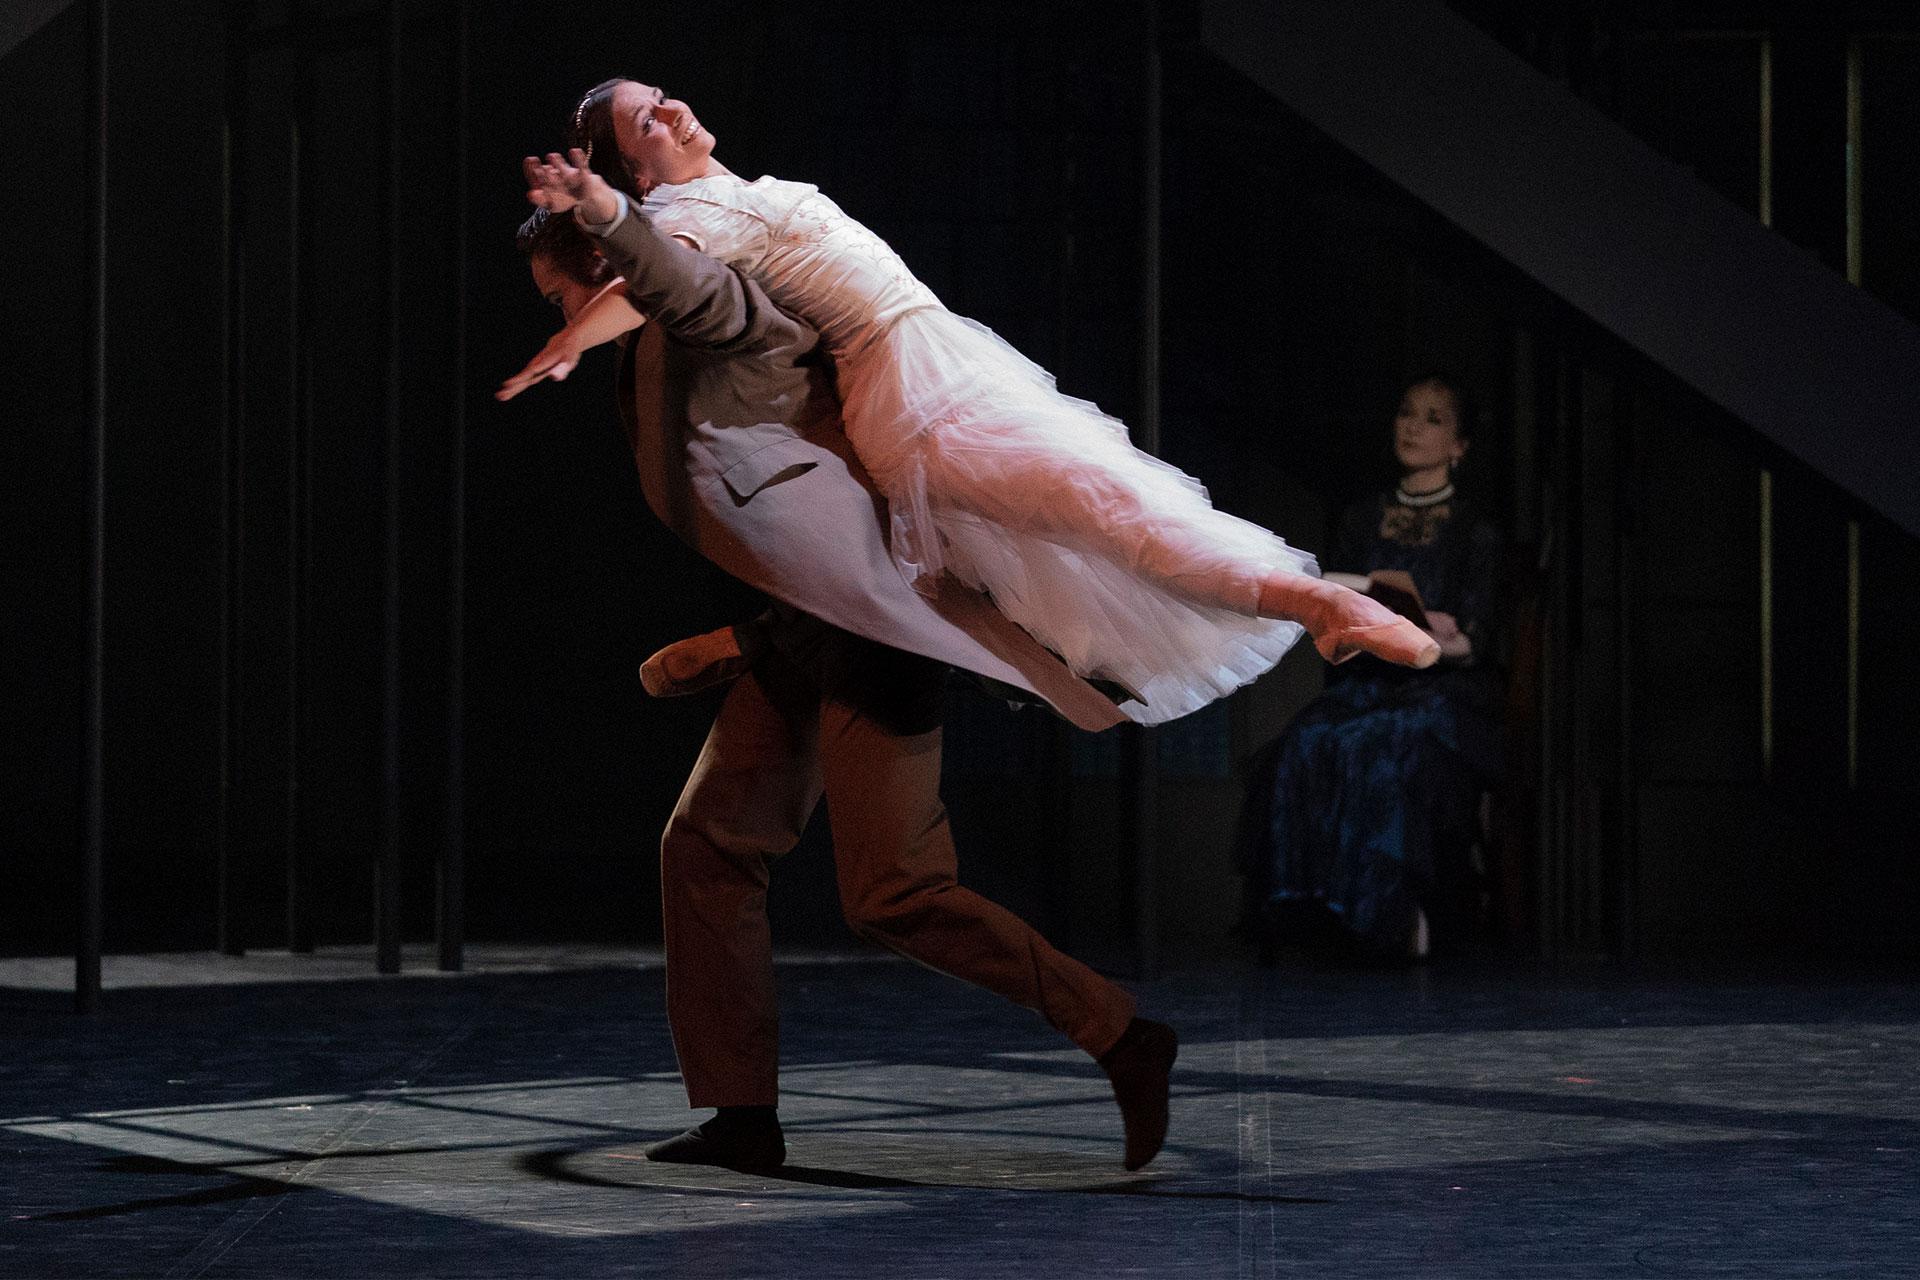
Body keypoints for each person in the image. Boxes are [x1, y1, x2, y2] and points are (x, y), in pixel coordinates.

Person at [512, 194, 1179, 1171]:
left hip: (874, 622)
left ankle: (1120, 1032)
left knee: (894, 889)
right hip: (804, 627)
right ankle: (741, 1112)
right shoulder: (654, 350)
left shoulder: (720, 321)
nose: (558, 308)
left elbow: (841, 496)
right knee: (706, 844)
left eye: (559, 289)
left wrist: (735, 640)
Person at [501, 80, 1439, 726]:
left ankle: (1314, 604)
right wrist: (570, 330)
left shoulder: (730, 187)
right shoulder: (676, 219)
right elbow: (650, 288)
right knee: (1096, 508)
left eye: (657, 97)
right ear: (637, 175)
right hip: (909, 391)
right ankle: (1320, 604)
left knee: (1088, 519)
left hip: (945, 356)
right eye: (646, 124)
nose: (670, 109)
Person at [1237, 375, 1504, 960]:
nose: (1413, 427)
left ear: (1459, 445)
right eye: (1407, 413)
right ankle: (1308, 914)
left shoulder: (1474, 531)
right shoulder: (1362, 517)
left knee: (1381, 745)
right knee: (1308, 741)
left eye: (1433, 419)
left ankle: (1392, 915)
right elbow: (1338, 599)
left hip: (1442, 692)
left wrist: (1437, 635)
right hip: (1369, 682)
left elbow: (1478, 639)